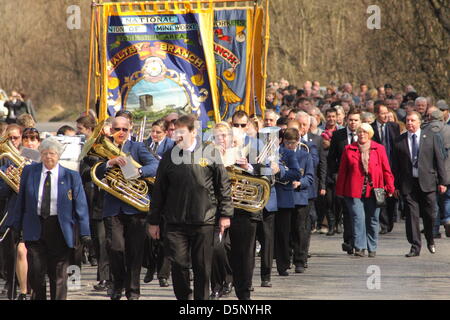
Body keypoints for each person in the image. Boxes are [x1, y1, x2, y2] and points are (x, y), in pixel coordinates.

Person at [147, 115, 233, 300]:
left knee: (202, 266)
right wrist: (153, 221)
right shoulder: (169, 156)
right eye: (175, 132)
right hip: (175, 223)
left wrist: (225, 214)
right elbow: (159, 191)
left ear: (193, 132)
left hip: (204, 221)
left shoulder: (210, 152)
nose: (177, 136)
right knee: (178, 265)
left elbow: (223, 186)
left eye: (181, 132)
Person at [8, 137, 91, 300]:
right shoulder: (30, 172)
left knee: (59, 274)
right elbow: (21, 200)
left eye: (52, 153)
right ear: (40, 154)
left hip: (59, 228)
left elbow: (80, 206)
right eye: (44, 153)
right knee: (36, 273)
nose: (48, 157)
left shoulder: (70, 176)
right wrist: (16, 226)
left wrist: (85, 232)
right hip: (35, 226)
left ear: (58, 155)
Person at [96, 116, 159, 300]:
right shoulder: (103, 148)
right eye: (117, 129)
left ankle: (133, 291)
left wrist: (138, 172)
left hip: (135, 208)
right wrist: (109, 163)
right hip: (113, 208)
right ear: (111, 130)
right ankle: (118, 282)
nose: (121, 132)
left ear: (130, 129)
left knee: (135, 252)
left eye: (124, 129)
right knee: (115, 248)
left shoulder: (137, 147)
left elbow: (156, 165)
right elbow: (89, 170)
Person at [392, 112, 448, 257]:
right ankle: (415, 245)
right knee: (411, 215)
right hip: (408, 184)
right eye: (408, 120)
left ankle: (430, 238)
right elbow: (395, 166)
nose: (410, 123)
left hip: (428, 182)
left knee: (430, 214)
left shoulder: (431, 138)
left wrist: (443, 181)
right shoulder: (399, 141)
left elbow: (439, 161)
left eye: (413, 120)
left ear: (419, 122)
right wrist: (396, 185)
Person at [336, 123, 395, 257]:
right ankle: (360, 247)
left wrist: (390, 187)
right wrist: (340, 191)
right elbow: (342, 172)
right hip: (353, 190)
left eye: (365, 132)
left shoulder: (378, 148)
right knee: (358, 218)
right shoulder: (348, 149)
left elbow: (386, 169)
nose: (362, 134)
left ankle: (372, 247)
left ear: (370, 134)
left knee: (373, 219)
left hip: (374, 190)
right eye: (359, 132)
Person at [142, 119, 174, 287]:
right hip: (147, 193)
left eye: (158, 132)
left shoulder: (171, 146)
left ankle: (163, 274)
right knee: (148, 237)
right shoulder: (144, 144)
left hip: (166, 196)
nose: (154, 135)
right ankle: (150, 265)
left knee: (165, 238)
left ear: (165, 132)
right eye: (152, 132)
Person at [328, 108, 362, 254]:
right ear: (347, 120)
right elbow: (331, 157)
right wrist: (335, 174)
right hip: (344, 179)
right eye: (351, 120)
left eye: (356, 120)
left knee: (359, 211)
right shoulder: (338, 135)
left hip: (361, 180)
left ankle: (359, 241)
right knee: (347, 211)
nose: (353, 123)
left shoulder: (365, 134)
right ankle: (349, 241)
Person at [371, 103, 400, 234]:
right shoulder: (371, 128)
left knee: (391, 195)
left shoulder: (394, 127)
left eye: (387, 112)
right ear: (376, 114)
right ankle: (383, 223)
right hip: (377, 167)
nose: (386, 115)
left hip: (392, 165)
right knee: (380, 194)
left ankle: (390, 220)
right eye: (382, 113)